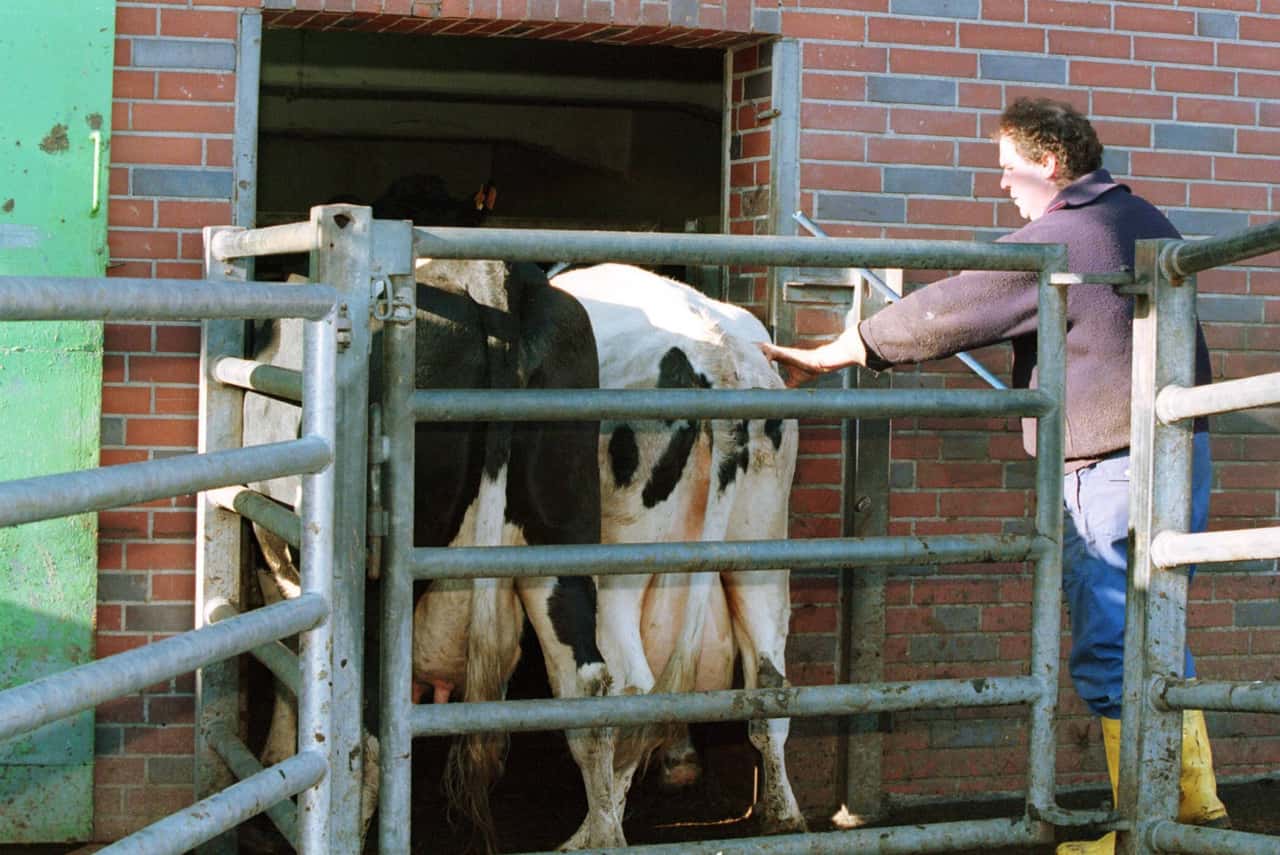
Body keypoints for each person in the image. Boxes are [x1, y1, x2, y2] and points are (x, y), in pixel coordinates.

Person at [760, 97, 1228, 854]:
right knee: (1158, 629)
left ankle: (1146, 829)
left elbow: (949, 311)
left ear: (1049, 163)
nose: (1002, 186)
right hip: (1180, 449)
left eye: (1008, 170)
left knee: (1112, 641)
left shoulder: (1069, 234)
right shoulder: (1144, 219)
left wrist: (833, 352)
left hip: (1110, 467)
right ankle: (1192, 805)